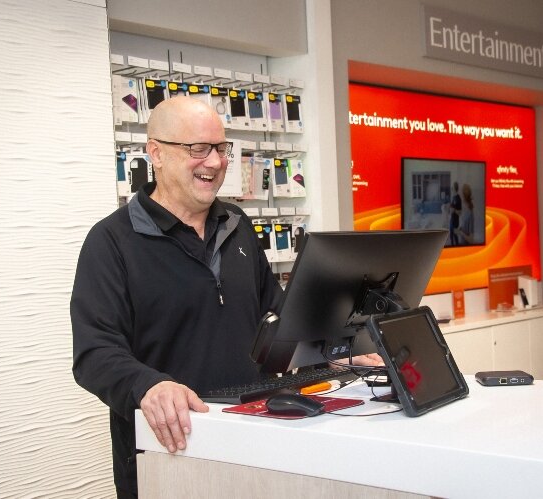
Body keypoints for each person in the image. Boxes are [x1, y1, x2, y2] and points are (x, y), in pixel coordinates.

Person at [71, 96, 380, 497]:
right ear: (156, 153)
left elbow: (278, 318)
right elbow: (94, 353)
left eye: (220, 149)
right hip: (169, 453)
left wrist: (335, 347)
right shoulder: (111, 242)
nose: (214, 162)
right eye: (197, 149)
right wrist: (149, 385)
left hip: (251, 438)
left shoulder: (237, 226)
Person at [449, 181, 462, 246]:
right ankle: (452, 247)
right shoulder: (453, 197)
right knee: (451, 236)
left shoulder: (458, 199)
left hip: (456, 222)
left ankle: (456, 248)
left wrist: (454, 210)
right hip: (452, 220)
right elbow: (452, 206)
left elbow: (460, 212)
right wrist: (449, 206)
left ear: (454, 188)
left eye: (452, 188)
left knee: (455, 237)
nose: (451, 189)